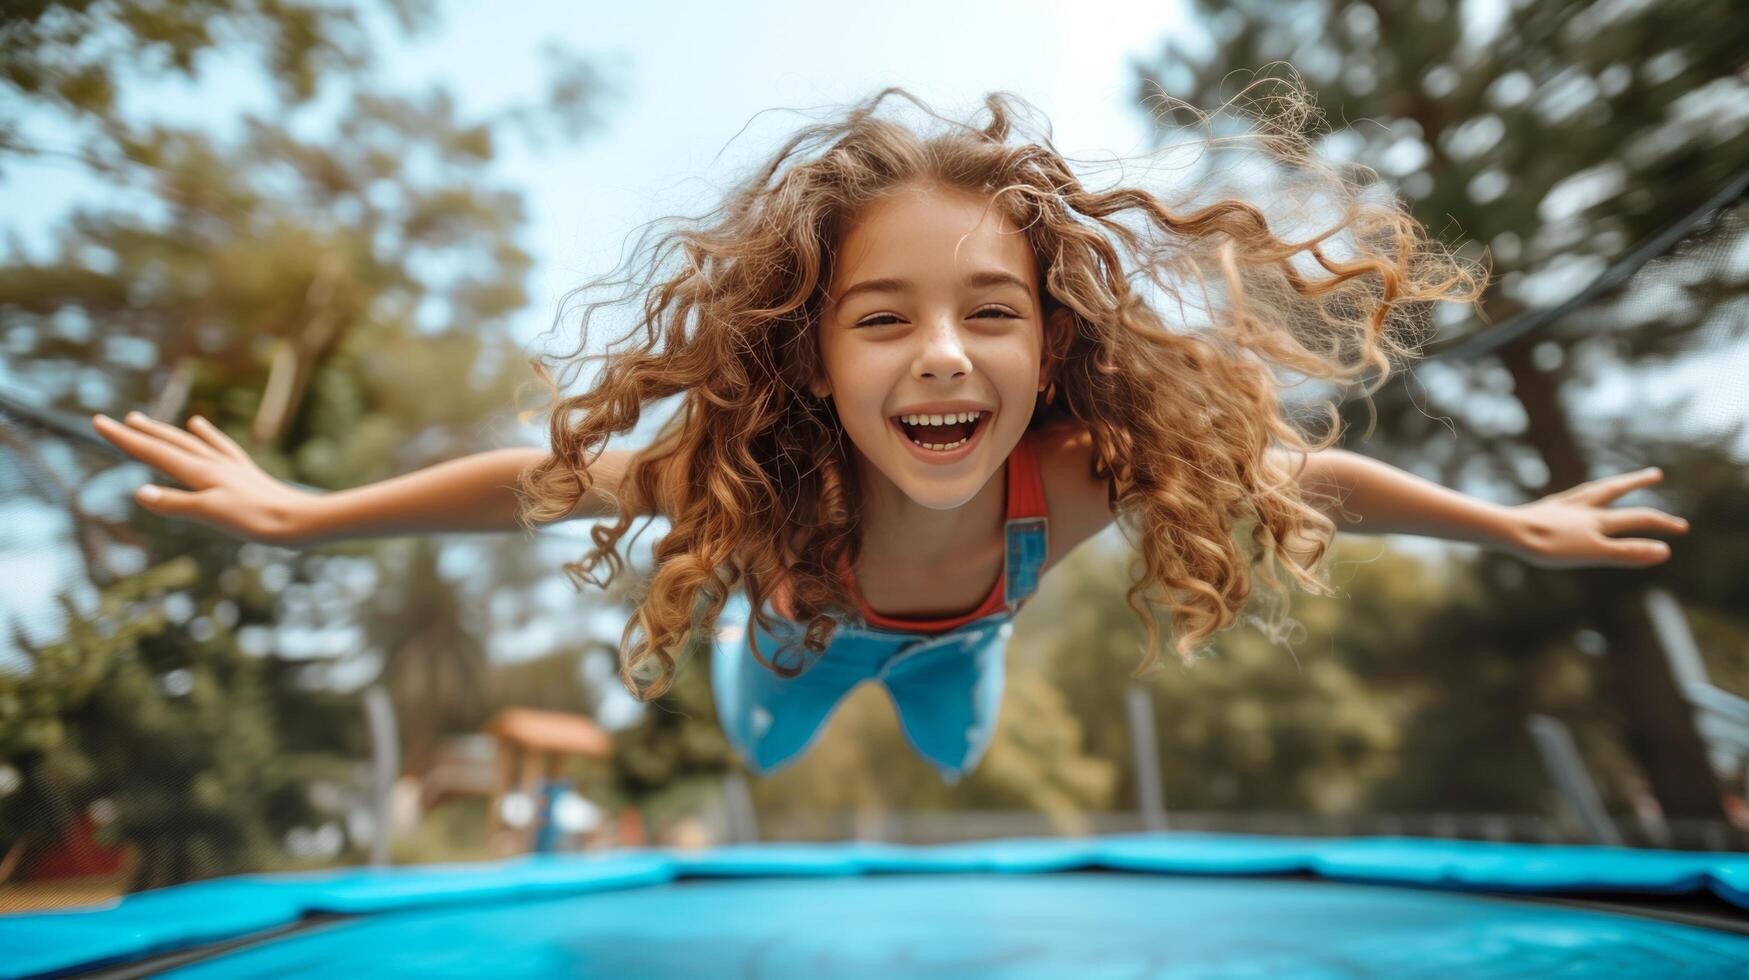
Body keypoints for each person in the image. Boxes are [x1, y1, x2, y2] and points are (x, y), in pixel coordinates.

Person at [91, 85, 1690, 780]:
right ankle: (769, 674)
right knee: (766, 734)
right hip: (793, 642)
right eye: (883, 319)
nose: (942, 354)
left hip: (956, 643)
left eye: (988, 313)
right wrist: (303, 512)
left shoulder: (1070, 475)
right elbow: (538, 479)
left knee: (956, 727)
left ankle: (954, 662)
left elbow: (1302, 472)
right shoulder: (764, 471)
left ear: (1048, 346)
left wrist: (1514, 526)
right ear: (810, 359)